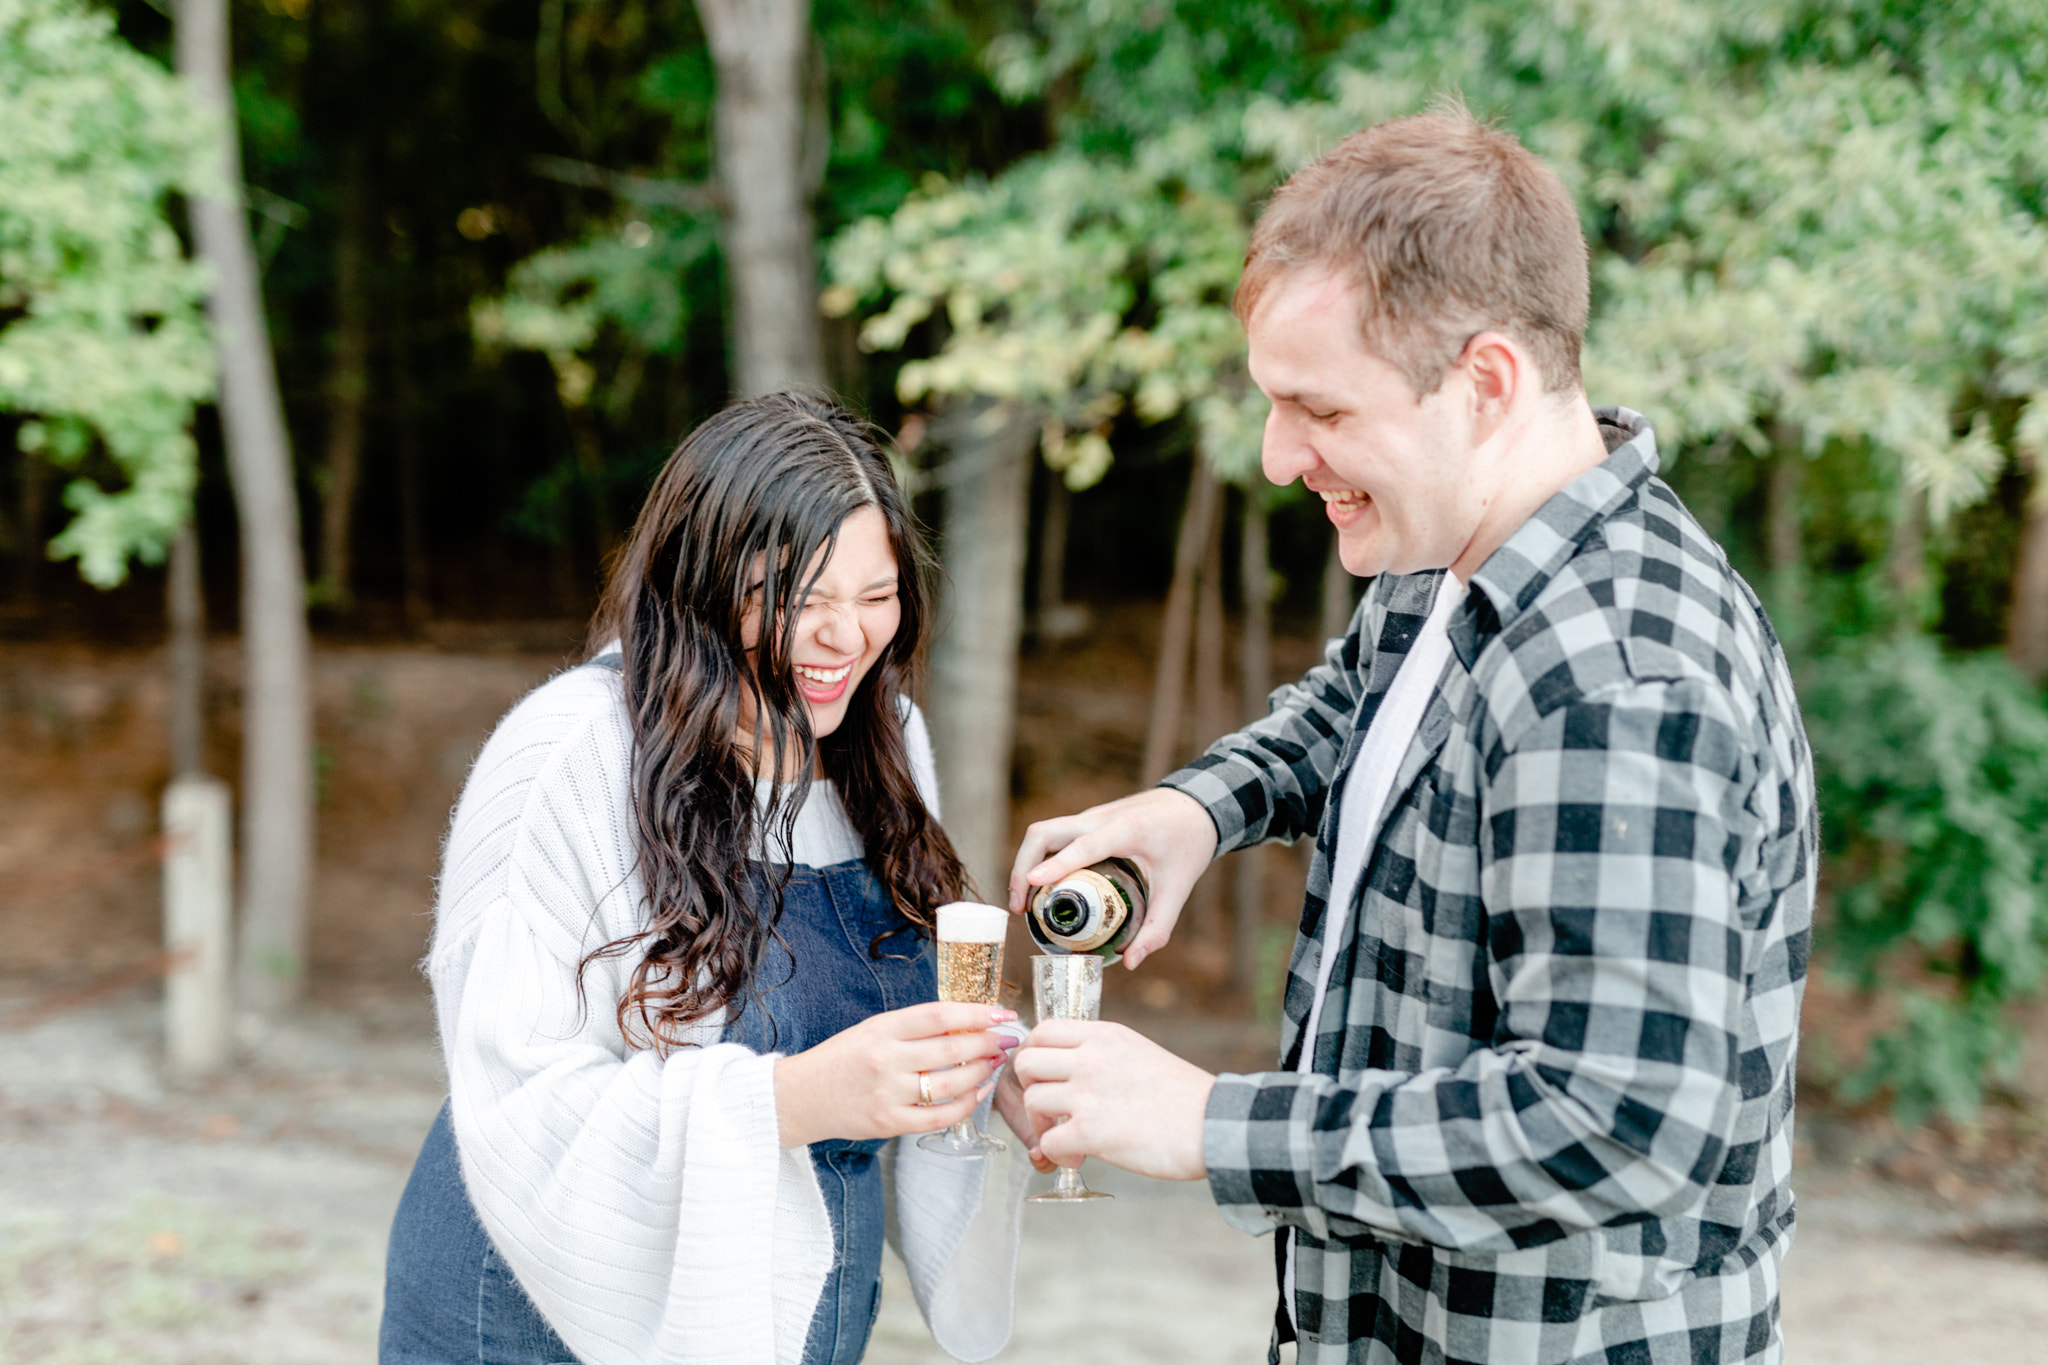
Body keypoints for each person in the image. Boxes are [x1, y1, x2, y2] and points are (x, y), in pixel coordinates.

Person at [1007, 104, 1814, 1365]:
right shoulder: (1459, 550)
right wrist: (1197, 810)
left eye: (1318, 410)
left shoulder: (1613, 677)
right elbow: (1352, 712)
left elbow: (1612, 1123)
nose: (1279, 457)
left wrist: (1213, 1124)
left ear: (1484, 382)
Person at [381, 393, 1029, 1365]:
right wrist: (794, 1101)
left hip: (793, 1303)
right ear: (698, 580)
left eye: (875, 596)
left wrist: (991, 1081)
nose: (844, 639)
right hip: (540, 1316)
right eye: (797, 598)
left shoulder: (885, 739)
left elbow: (892, 1024)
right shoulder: (569, 754)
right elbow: (523, 1107)